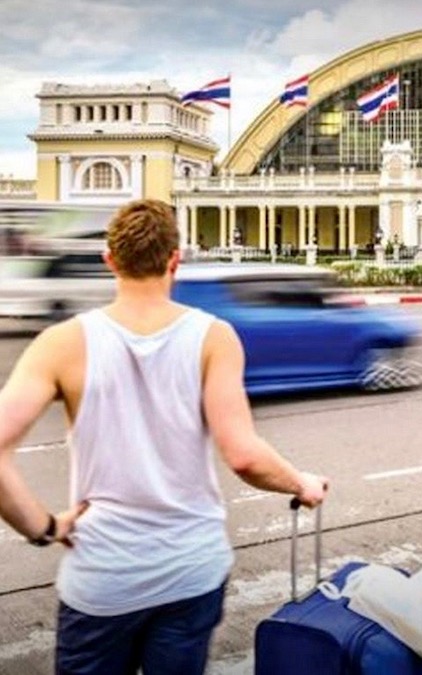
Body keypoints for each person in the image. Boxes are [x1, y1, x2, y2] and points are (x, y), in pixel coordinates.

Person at [0, 199, 329, 675]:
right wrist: (302, 484)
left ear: (109, 260)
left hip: (101, 580)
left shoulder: (63, 343)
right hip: (189, 575)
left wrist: (45, 528)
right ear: (176, 259)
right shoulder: (213, 337)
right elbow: (242, 455)